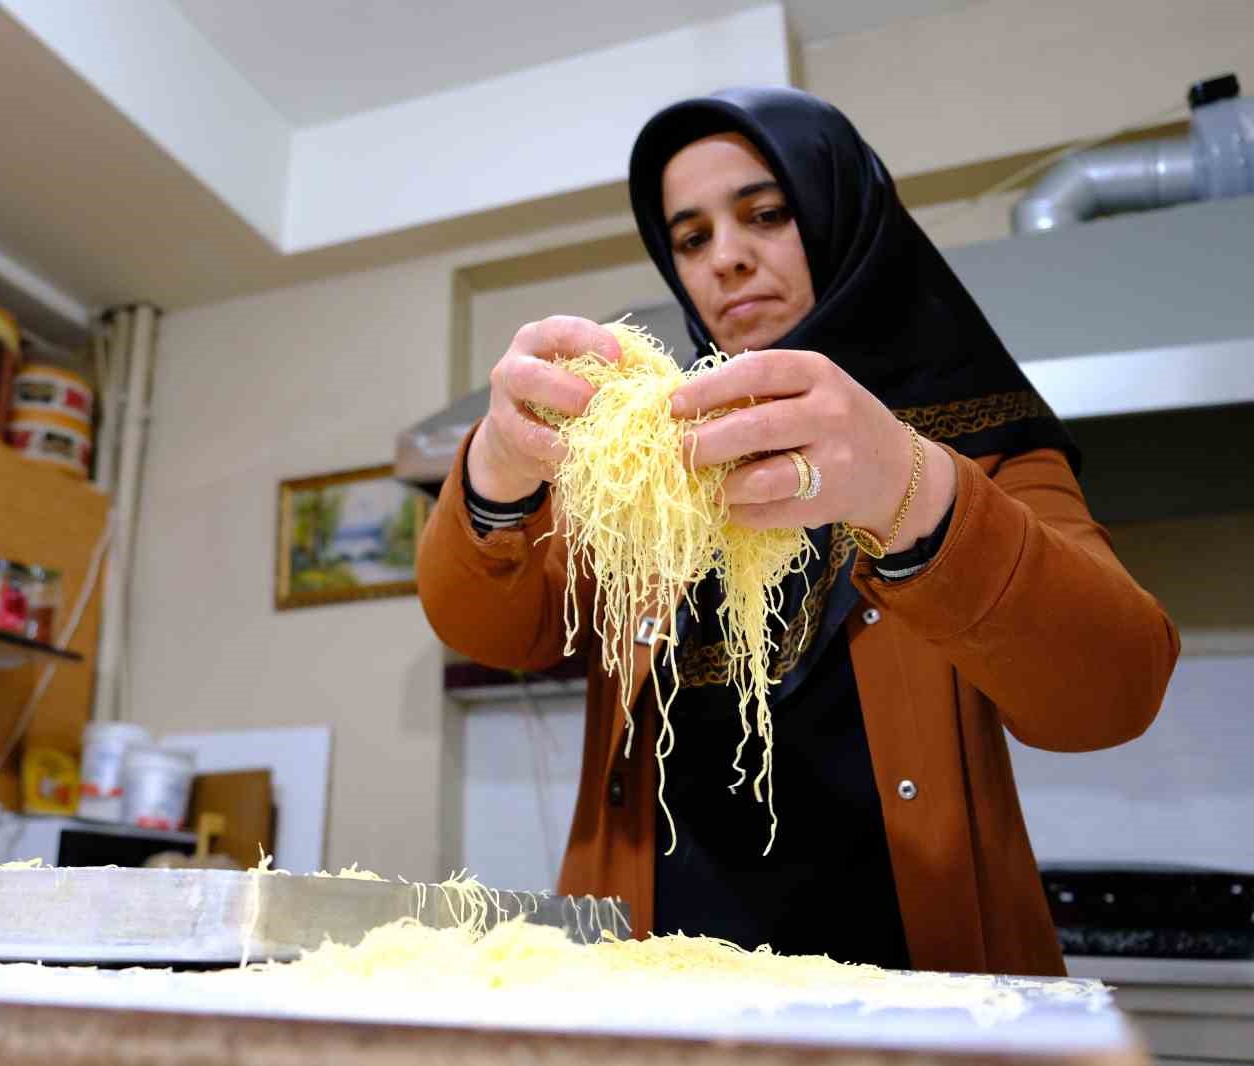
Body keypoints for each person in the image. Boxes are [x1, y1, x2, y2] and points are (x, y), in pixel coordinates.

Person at [416, 87, 1179, 977]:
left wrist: (906, 483)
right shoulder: (652, 465)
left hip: (910, 999)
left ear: (839, 216)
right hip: (650, 995)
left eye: (766, 215)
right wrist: (497, 470)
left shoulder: (983, 448)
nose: (726, 260)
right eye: (691, 237)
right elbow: (493, 626)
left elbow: (1110, 696)